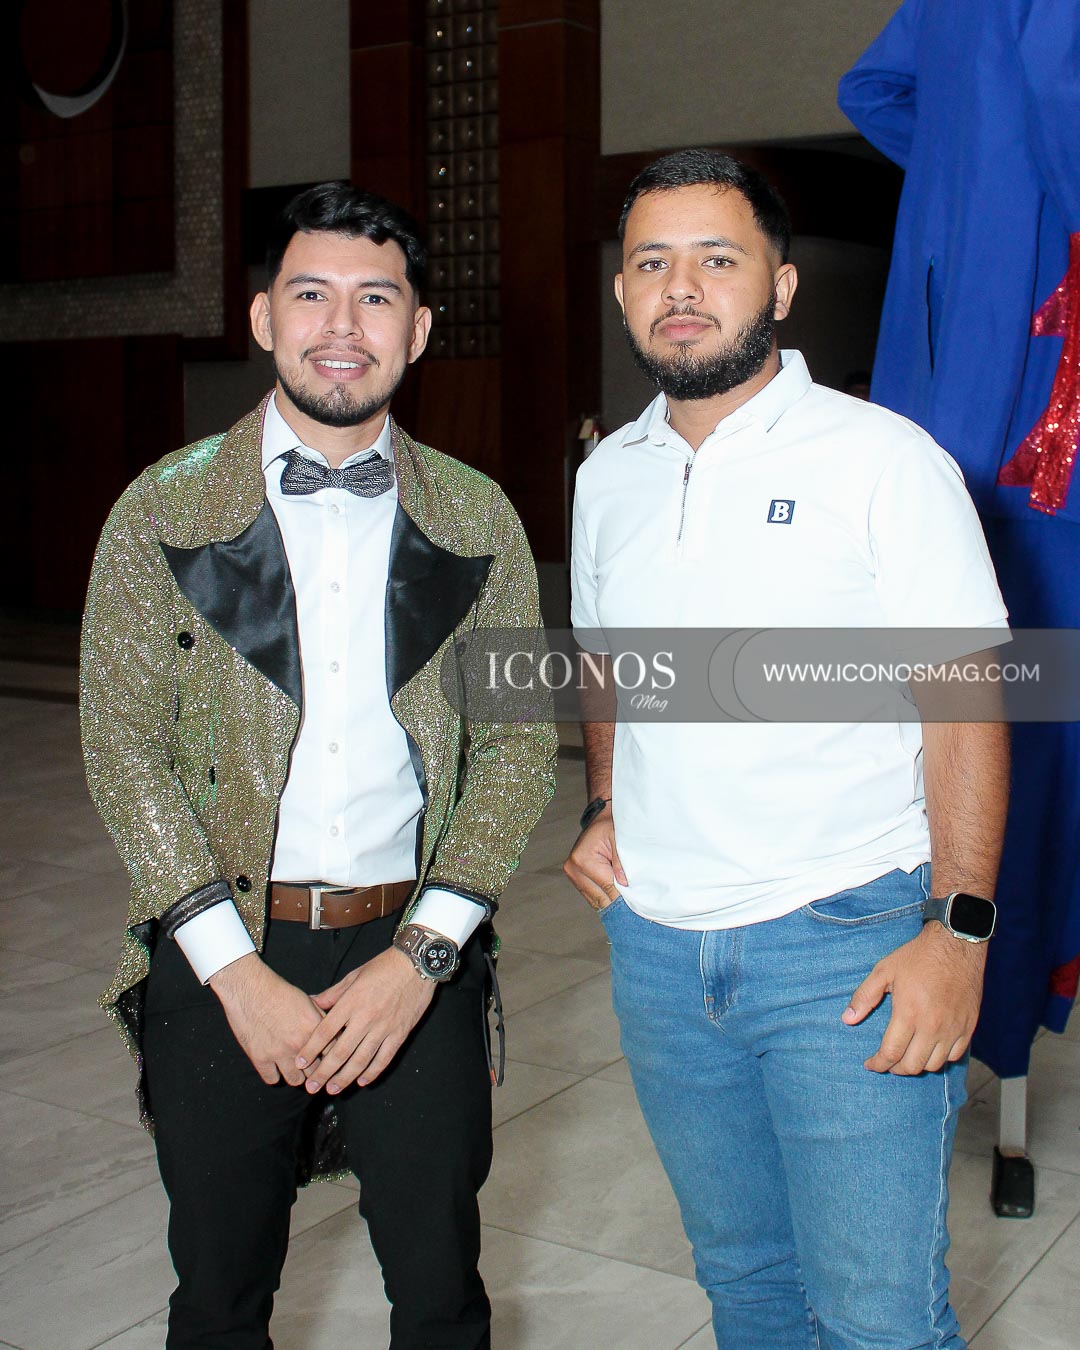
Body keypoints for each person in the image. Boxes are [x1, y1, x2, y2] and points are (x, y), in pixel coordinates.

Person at [81, 182, 557, 1349]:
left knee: (442, 1297)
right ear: (263, 318)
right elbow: (122, 746)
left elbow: (515, 749)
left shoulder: (481, 517)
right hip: (222, 946)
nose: (342, 326)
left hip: (415, 942)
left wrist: (425, 956)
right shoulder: (160, 508)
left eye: (376, 299)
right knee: (218, 1298)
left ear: (418, 330)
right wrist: (232, 973)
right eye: (311, 294)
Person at [565, 149, 1009, 1349]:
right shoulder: (607, 476)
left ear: (783, 287)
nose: (682, 288)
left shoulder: (883, 461)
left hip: (846, 944)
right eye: (652, 262)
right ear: (622, 292)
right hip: (661, 951)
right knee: (746, 1284)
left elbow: (968, 700)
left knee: (878, 1320)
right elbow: (605, 659)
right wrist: (603, 805)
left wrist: (959, 932)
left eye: (719, 259)